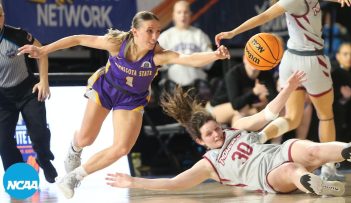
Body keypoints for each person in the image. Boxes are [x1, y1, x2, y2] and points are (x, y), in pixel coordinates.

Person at [17, 11, 230, 199]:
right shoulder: (116, 43)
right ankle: (74, 149)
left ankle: (74, 177)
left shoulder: (157, 56)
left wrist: (214, 55)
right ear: (135, 32)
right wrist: (45, 50)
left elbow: (188, 58)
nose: (155, 36)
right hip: (106, 89)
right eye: (150, 31)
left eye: (158, 31)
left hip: (132, 99)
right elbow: (78, 38)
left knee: (122, 148)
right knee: (86, 138)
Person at [106, 71, 351, 196]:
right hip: (269, 176)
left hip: (277, 152)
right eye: (210, 134)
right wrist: (133, 182)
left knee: (305, 147)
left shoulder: (234, 130)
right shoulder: (209, 165)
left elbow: (268, 114)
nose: (217, 135)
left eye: (216, 128)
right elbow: (174, 183)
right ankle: (318, 185)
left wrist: (290, 88)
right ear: (199, 141)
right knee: (292, 170)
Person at [214, 0, 351, 180]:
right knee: (326, 116)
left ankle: (261, 137)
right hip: (311, 60)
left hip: (291, 60)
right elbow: (263, 17)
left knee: (292, 118)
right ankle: (328, 170)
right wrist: (233, 33)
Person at [0, 3, 57, 183]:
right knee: (3, 141)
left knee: (39, 132)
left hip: (27, 90)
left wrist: (44, 81)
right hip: (3, 98)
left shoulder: (16, 35)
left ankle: (44, 159)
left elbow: (42, 52)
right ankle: (17, 177)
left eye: (0, 15)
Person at [158, 1, 213, 96]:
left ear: (190, 14)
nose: (182, 15)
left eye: (185, 12)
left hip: (197, 86)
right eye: (179, 12)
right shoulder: (165, 36)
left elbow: (210, 58)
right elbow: (157, 61)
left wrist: (195, 62)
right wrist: (178, 61)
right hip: (173, 85)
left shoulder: (199, 34)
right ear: (173, 15)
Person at [206, 56, 277, 126]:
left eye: (259, 59)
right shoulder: (233, 74)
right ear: (244, 59)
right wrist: (254, 92)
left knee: (239, 118)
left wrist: (265, 99)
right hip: (215, 109)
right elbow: (236, 104)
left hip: (244, 109)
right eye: (253, 58)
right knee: (242, 111)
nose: (255, 61)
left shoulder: (265, 74)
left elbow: (274, 98)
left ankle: (237, 137)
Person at [332, 42, 351, 143]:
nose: (349, 57)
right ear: (338, 56)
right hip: (344, 125)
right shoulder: (335, 75)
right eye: (345, 54)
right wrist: (343, 99)